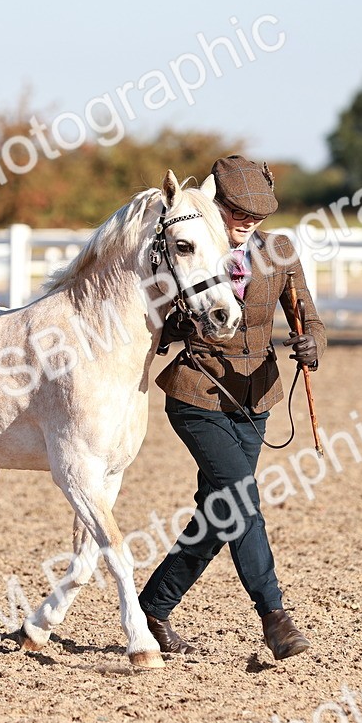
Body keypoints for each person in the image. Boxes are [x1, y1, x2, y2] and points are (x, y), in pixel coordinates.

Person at [139, 155, 326, 660]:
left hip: (257, 398)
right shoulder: (190, 251)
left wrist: (313, 348)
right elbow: (152, 321)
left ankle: (152, 609)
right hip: (197, 395)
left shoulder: (280, 251)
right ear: (214, 204)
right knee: (243, 500)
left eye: (256, 216)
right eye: (236, 212)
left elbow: (308, 318)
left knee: (222, 515)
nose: (247, 224)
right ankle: (275, 616)